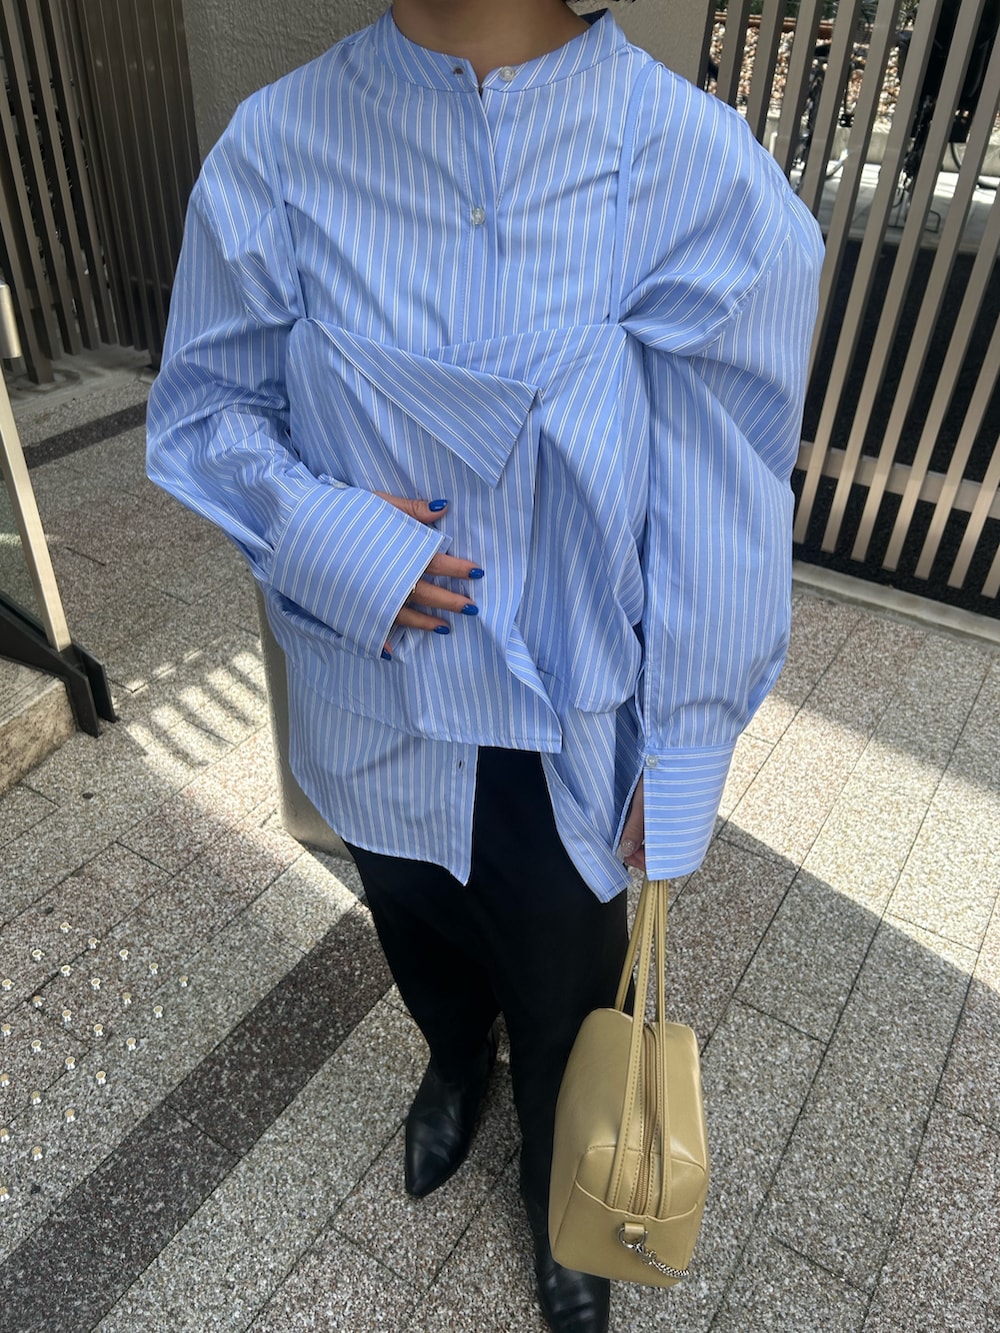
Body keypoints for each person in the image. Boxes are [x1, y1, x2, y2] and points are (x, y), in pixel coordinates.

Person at [147, 2, 823, 1328]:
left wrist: (688, 734)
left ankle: (561, 1190)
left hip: (567, 717)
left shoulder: (691, 164)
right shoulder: (278, 147)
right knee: (411, 927)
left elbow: (726, 490)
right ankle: (457, 1063)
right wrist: (327, 534)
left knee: (571, 985)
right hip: (371, 692)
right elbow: (206, 406)